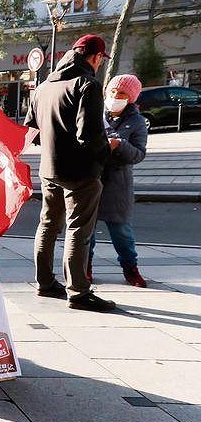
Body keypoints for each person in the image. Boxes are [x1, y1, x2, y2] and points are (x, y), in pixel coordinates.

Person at [24, 34, 115, 312]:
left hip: (48, 169)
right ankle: (78, 292)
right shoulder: (87, 85)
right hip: (79, 173)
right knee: (78, 229)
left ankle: (44, 282)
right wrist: (107, 151)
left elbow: (33, 131)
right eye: (101, 59)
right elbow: (89, 135)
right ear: (96, 57)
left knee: (48, 224)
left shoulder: (43, 88)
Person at [88, 74, 148, 288]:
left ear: (130, 98)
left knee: (121, 231)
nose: (115, 96)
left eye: (121, 93)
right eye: (113, 91)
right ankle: (85, 268)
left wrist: (119, 144)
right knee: (87, 231)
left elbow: (139, 154)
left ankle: (130, 268)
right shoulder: (94, 113)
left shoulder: (137, 121)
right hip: (92, 179)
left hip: (118, 183)